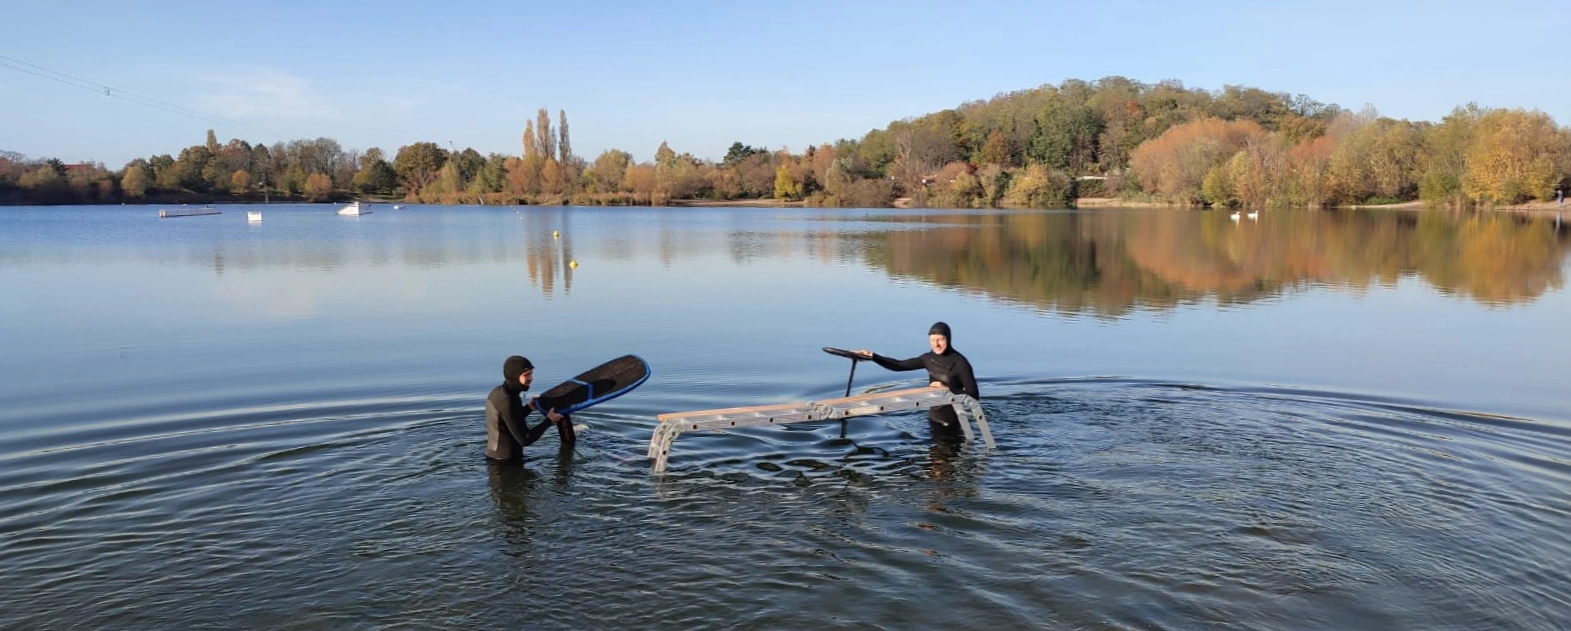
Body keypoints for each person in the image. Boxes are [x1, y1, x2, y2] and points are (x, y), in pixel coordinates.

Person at [855, 321, 980, 433]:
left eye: (940, 340)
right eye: (932, 340)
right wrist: (873, 357)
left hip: (953, 424)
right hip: (933, 421)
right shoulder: (928, 359)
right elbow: (899, 365)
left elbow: (974, 395)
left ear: (948, 338)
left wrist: (947, 389)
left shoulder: (960, 363)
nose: (936, 344)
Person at [485, 355, 575, 462]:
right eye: (526, 375)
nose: (531, 378)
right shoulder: (508, 401)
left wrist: (529, 408)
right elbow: (525, 439)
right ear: (514, 376)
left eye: (531, 374)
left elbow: (510, 419)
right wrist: (549, 421)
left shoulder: (498, 393)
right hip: (507, 464)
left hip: (494, 457)